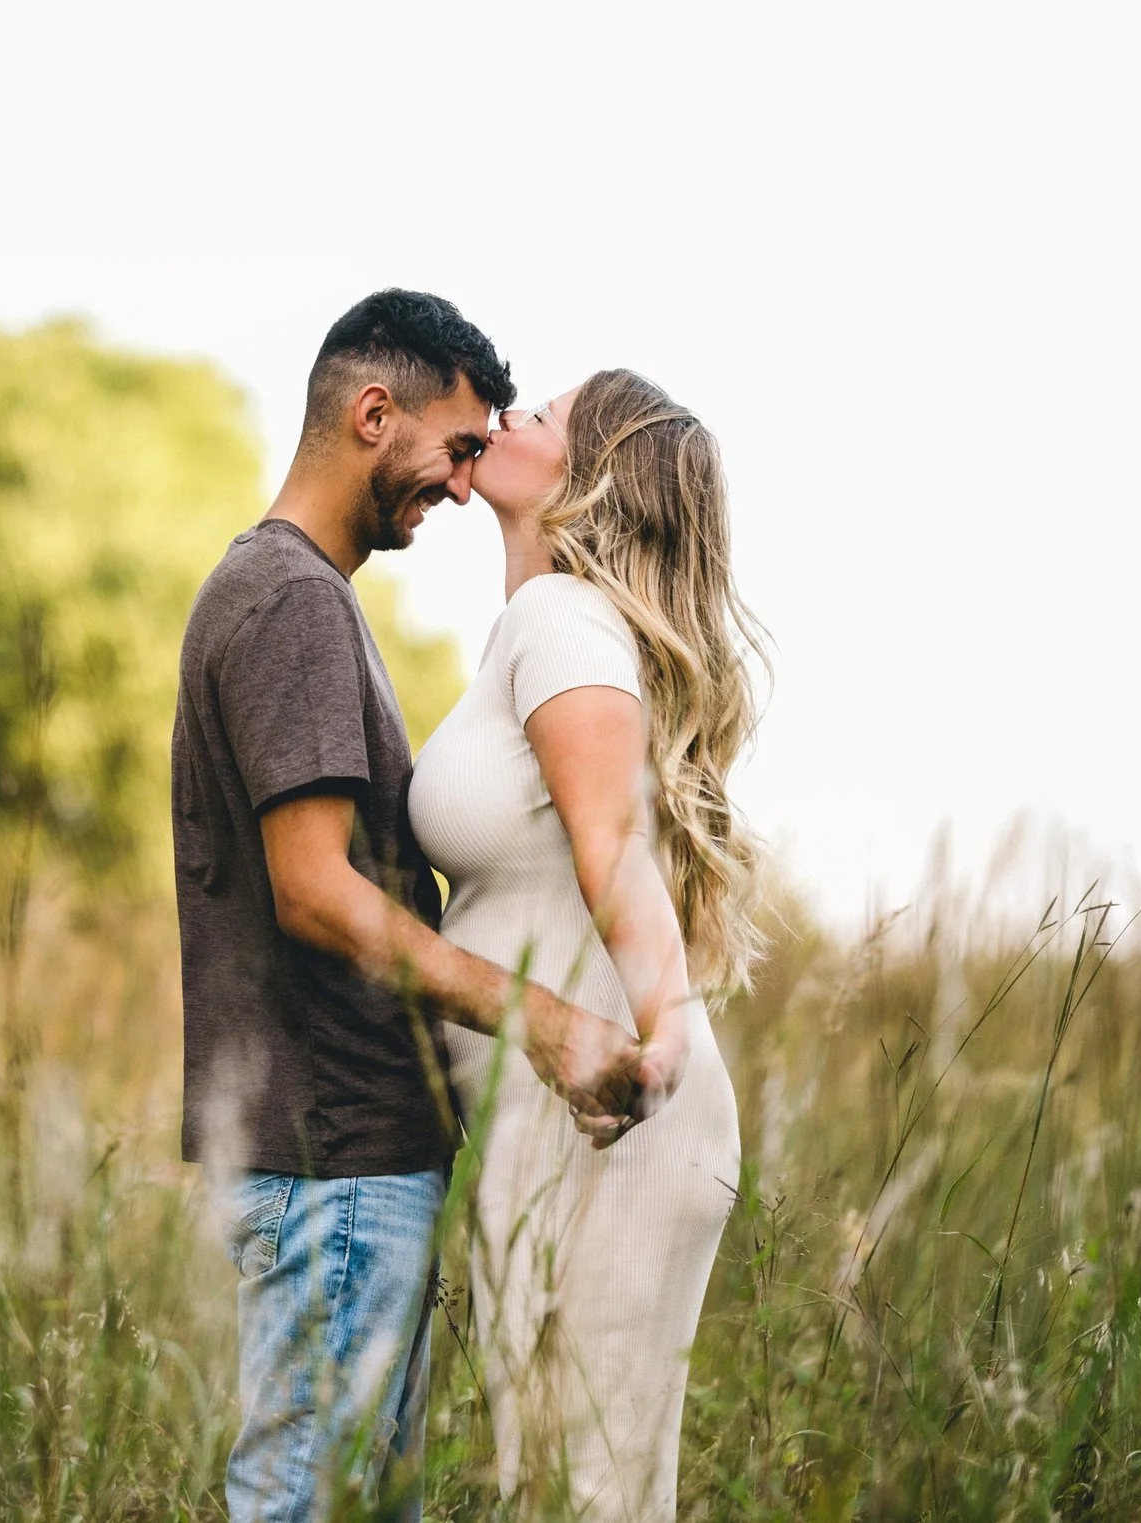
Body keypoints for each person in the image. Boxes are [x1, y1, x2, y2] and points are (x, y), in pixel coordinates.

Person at [171, 291, 646, 1522]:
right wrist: (539, 1019)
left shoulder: (296, 594)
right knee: (299, 1501)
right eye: (455, 448)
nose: (456, 484)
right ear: (373, 414)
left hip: (346, 1157)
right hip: (335, 1154)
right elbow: (316, 891)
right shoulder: (290, 603)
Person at [408, 369, 767, 1521]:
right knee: (556, 1484)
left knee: (588, 1490)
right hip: (564, 1112)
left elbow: (611, 846)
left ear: (589, 478)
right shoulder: (538, 630)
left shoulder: (560, 621)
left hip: (618, 1116)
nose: (510, 413)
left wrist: (660, 1037)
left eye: (545, 414)